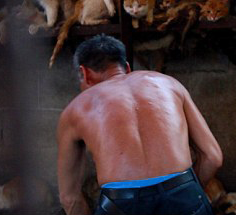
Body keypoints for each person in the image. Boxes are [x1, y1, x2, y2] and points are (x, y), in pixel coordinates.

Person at [56, 34, 222, 215]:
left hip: (120, 206)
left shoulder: (75, 109)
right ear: (127, 68)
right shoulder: (170, 84)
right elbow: (213, 157)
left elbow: (69, 197)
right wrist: (185, 195)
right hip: (184, 196)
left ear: (85, 73)